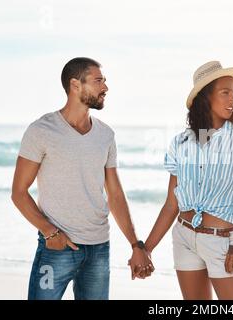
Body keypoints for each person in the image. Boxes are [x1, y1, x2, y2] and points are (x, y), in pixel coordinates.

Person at [11, 57, 153, 300]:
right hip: (56, 248)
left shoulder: (106, 135)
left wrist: (135, 245)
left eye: (105, 81)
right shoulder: (42, 130)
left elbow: (115, 194)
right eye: (98, 81)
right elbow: (19, 192)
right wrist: (49, 232)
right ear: (75, 84)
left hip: (99, 249)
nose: (105, 88)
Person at [144, 61, 233, 299]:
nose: (232, 99)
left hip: (223, 244)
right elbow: (172, 204)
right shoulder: (181, 143)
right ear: (205, 97)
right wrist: (146, 249)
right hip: (184, 237)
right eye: (225, 92)